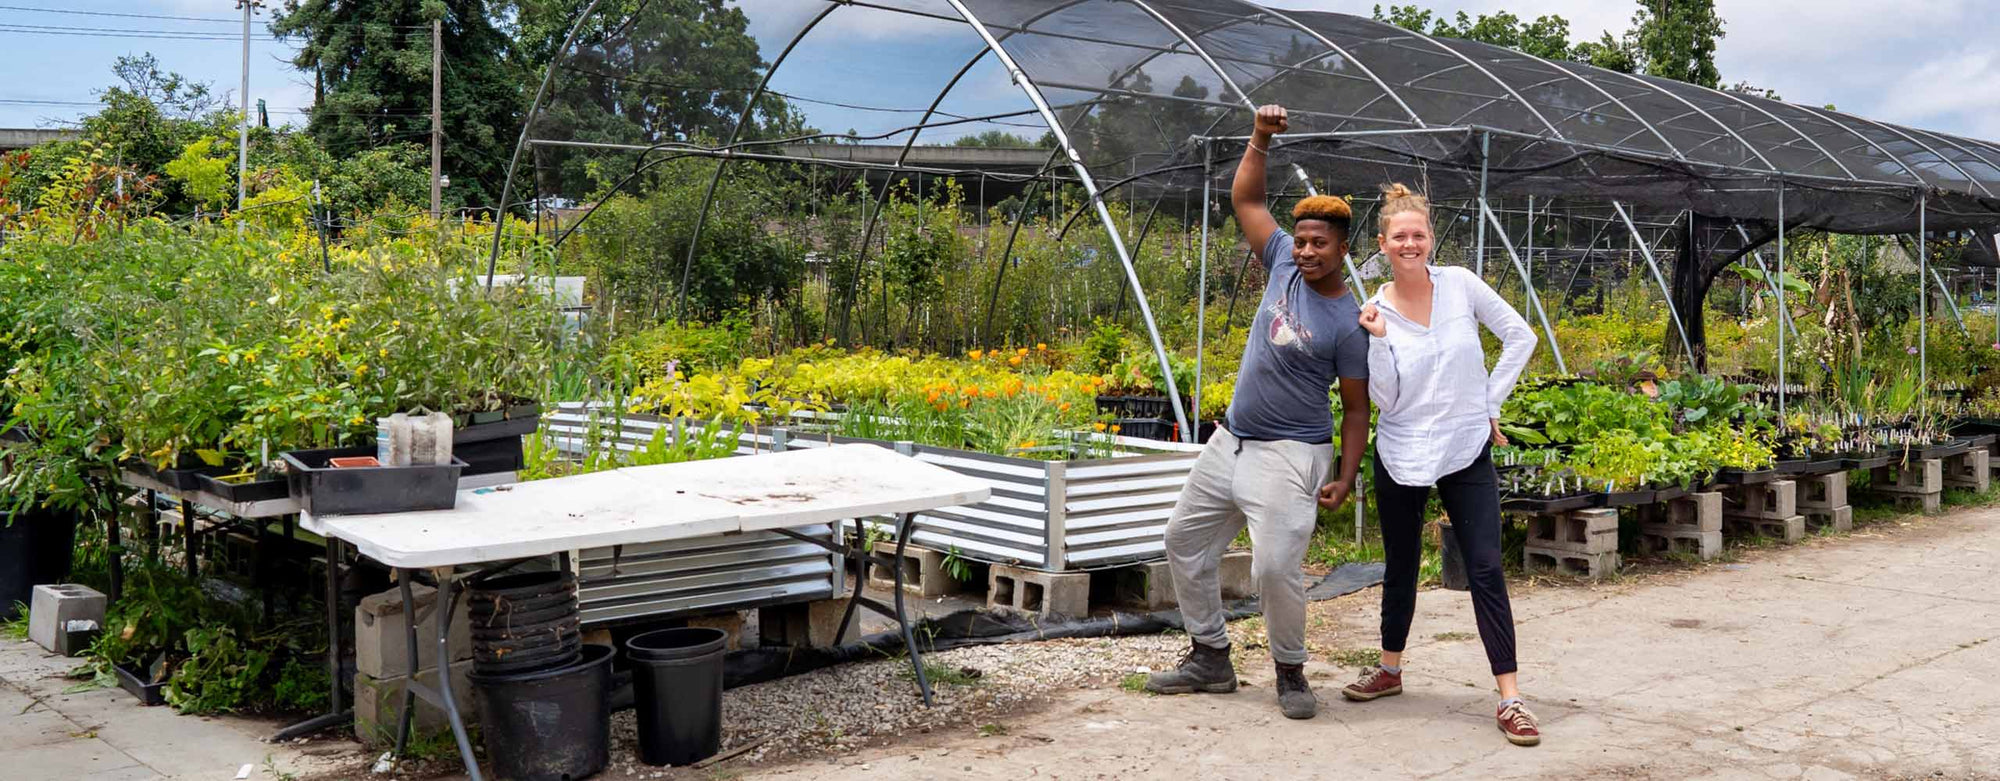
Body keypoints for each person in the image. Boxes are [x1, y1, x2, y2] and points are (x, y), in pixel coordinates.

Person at [1145, 104, 1371, 721]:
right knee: (1183, 541)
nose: (1305, 252)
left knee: (1274, 566)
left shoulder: (1350, 323)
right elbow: (1246, 199)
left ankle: (1291, 673)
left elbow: (1355, 410)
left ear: (1342, 249)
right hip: (1232, 442)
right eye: (1299, 241)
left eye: (1318, 244)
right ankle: (1210, 657)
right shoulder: (1278, 263)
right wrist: (1260, 137)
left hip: (1291, 453)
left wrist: (1346, 476)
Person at [1339, 182, 1543, 746]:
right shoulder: (1375, 311)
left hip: (1464, 446)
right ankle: (1390, 670)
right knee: (1400, 563)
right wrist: (1379, 342)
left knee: (1484, 567)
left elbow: (1519, 337)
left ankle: (1511, 698)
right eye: (1399, 236)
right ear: (1383, 245)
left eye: (1419, 235)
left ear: (1431, 240)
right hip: (1401, 450)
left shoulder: (1461, 286)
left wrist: (1488, 405)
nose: (1410, 244)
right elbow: (1387, 401)